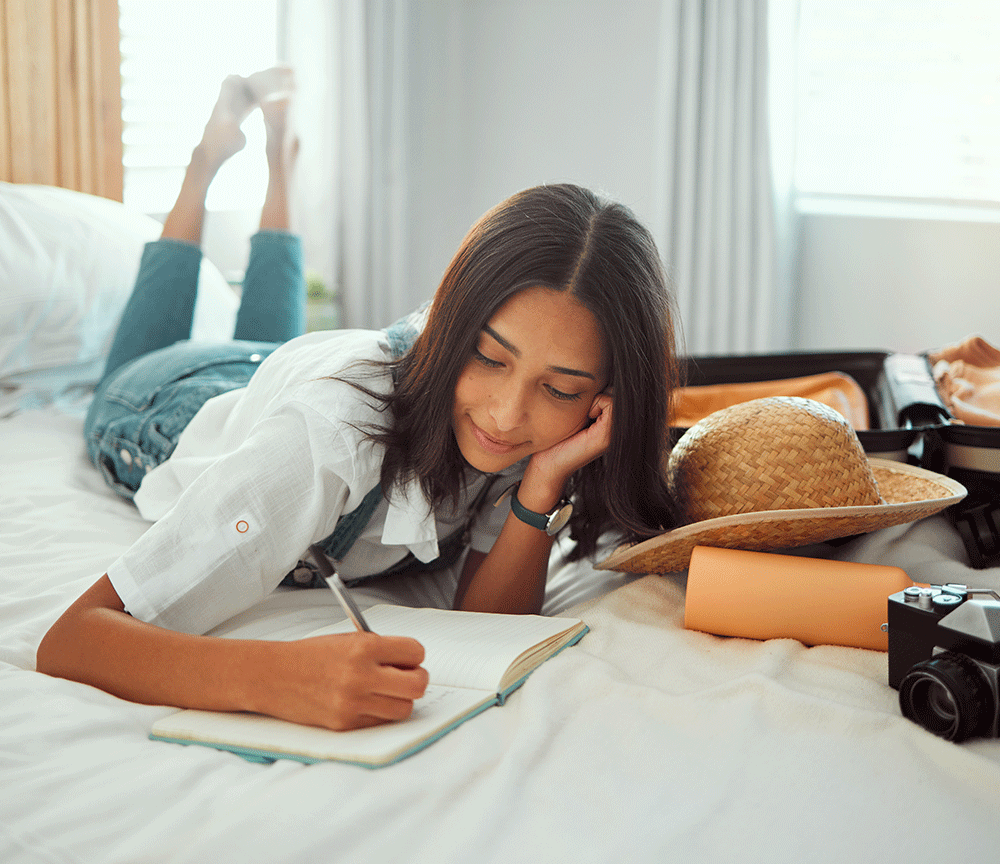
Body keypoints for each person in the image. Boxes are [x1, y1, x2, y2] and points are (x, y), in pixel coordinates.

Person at [37, 68, 680, 733]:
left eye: (560, 389)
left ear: (603, 394)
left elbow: (487, 621)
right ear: (451, 328)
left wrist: (542, 482)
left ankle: (279, 156)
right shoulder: (330, 431)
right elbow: (75, 638)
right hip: (164, 404)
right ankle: (204, 167)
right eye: (490, 357)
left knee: (272, 337)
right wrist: (274, 677)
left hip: (279, 374)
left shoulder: (526, 431)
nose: (508, 415)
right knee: (136, 359)